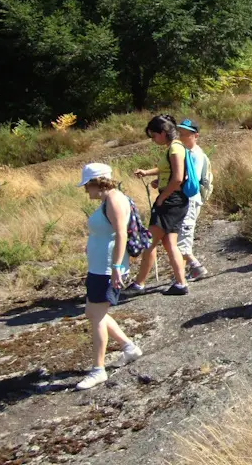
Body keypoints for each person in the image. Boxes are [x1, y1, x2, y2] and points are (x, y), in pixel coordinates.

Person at [76, 163, 143, 390]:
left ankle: (98, 369)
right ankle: (129, 347)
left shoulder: (114, 200)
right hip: (98, 267)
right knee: (94, 313)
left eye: (88, 185)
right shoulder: (108, 200)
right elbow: (106, 230)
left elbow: (121, 233)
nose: (86, 191)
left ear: (98, 182)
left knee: (95, 317)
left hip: (106, 268)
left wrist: (116, 267)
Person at [125, 115, 190, 296]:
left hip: (170, 202)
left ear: (162, 132)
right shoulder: (176, 147)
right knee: (170, 243)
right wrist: (149, 174)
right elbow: (168, 171)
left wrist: (163, 197)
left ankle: (139, 284)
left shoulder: (175, 149)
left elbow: (178, 178)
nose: (153, 140)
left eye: (154, 136)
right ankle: (180, 283)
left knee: (149, 243)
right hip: (176, 200)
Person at [175, 119, 212, 280]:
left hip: (190, 200)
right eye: (180, 133)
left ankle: (196, 267)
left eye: (185, 134)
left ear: (195, 135)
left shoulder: (196, 155)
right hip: (185, 200)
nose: (182, 136)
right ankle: (180, 273)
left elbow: (192, 178)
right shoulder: (186, 153)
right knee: (179, 236)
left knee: (183, 238)